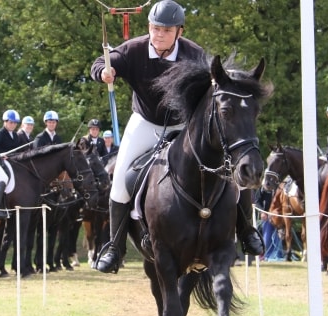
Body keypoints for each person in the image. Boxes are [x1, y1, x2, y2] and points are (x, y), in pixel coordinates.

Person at [90, 0, 263, 273]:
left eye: (166, 30)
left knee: (230, 174)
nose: (159, 35)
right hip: (145, 123)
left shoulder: (193, 52)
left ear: (179, 32)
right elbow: (103, 60)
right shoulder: (134, 48)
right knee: (121, 179)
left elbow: (217, 80)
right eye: (155, 28)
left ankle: (246, 231)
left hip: (184, 126)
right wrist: (103, 72)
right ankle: (115, 246)